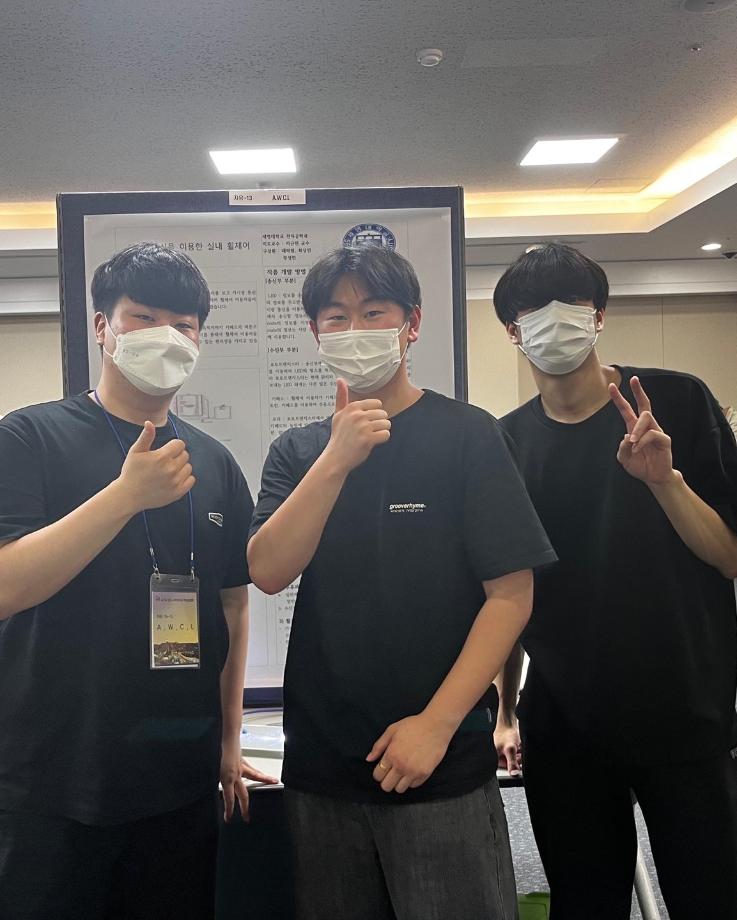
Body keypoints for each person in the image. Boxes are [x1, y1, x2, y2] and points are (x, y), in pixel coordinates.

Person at [247, 245, 556, 920]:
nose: (354, 329)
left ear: (411, 324)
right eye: (336, 317)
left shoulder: (468, 435)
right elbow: (267, 570)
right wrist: (336, 459)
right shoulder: (298, 451)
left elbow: (511, 595)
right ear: (315, 333)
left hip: (440, 763)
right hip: (322, 765)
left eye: (373, 312)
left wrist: (436, 726)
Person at [0, 242, 274, 920]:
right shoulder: (28, 438)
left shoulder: (214, 462)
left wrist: (228, 741)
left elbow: (232, 606)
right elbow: (7, 586)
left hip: (176, 780)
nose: (165, 336)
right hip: (49, 780)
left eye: (183, 325)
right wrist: (124, 497)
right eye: (144, 317)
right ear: (103, 326)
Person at [492, 242, 737, 920]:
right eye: (531, 310)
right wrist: (506, 712)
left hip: (683, 709)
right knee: (584, 904)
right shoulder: (506, 443)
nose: (552, 319)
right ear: (512, 331)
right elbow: (508, 590)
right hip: (567, 723)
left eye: (569, 303)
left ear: (598, 315)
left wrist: (665, 482)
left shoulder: (676, 401)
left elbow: (728, 555)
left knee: (711, 898)